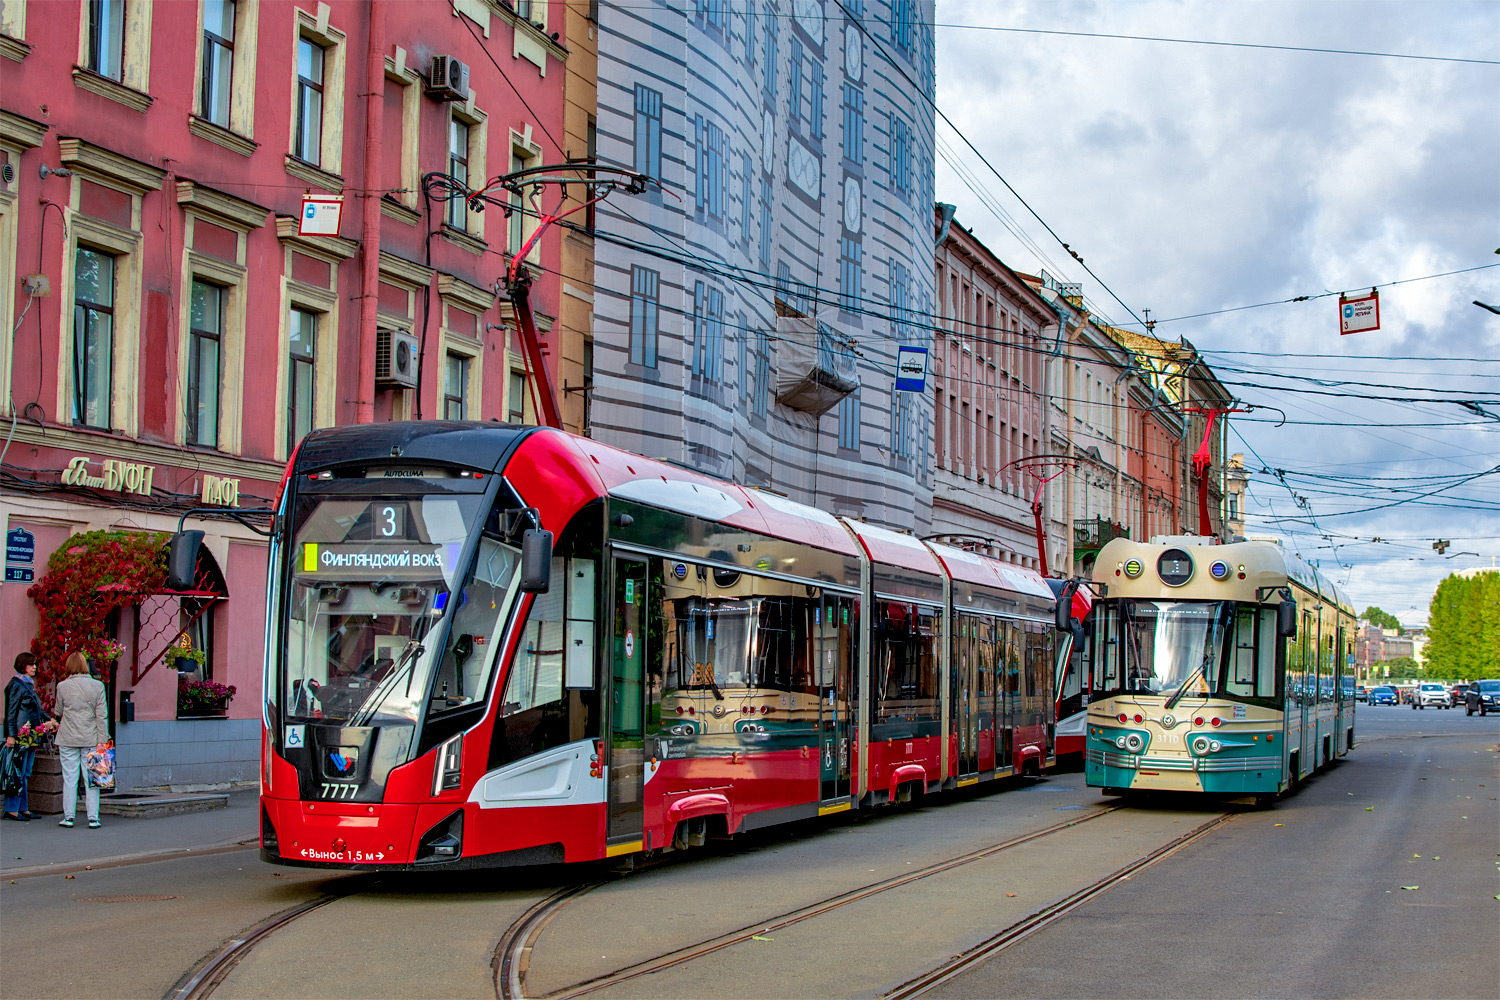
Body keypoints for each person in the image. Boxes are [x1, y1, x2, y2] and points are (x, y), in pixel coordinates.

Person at [54, 652, 108, 829]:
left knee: (69, 778)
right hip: (91, 737)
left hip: (67, 737)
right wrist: (102, 739)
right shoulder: (98, 686)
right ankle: (93, 818)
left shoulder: (62, 686)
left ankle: (68, 817)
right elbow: (102, 716)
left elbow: (59, 710)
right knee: (92, 779)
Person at [4, 652, 46, 821]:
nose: (34, 667)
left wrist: (51, 720)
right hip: (21, 735)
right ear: (23, 666)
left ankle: (23, 808)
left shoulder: (27, 684)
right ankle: (12, 809)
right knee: (16, 772)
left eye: (35, 664)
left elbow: (36, 709)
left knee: (25, 772)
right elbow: (11, 711)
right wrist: (11, 735)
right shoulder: (17, 685)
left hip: (30, 735)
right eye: (31, 664)